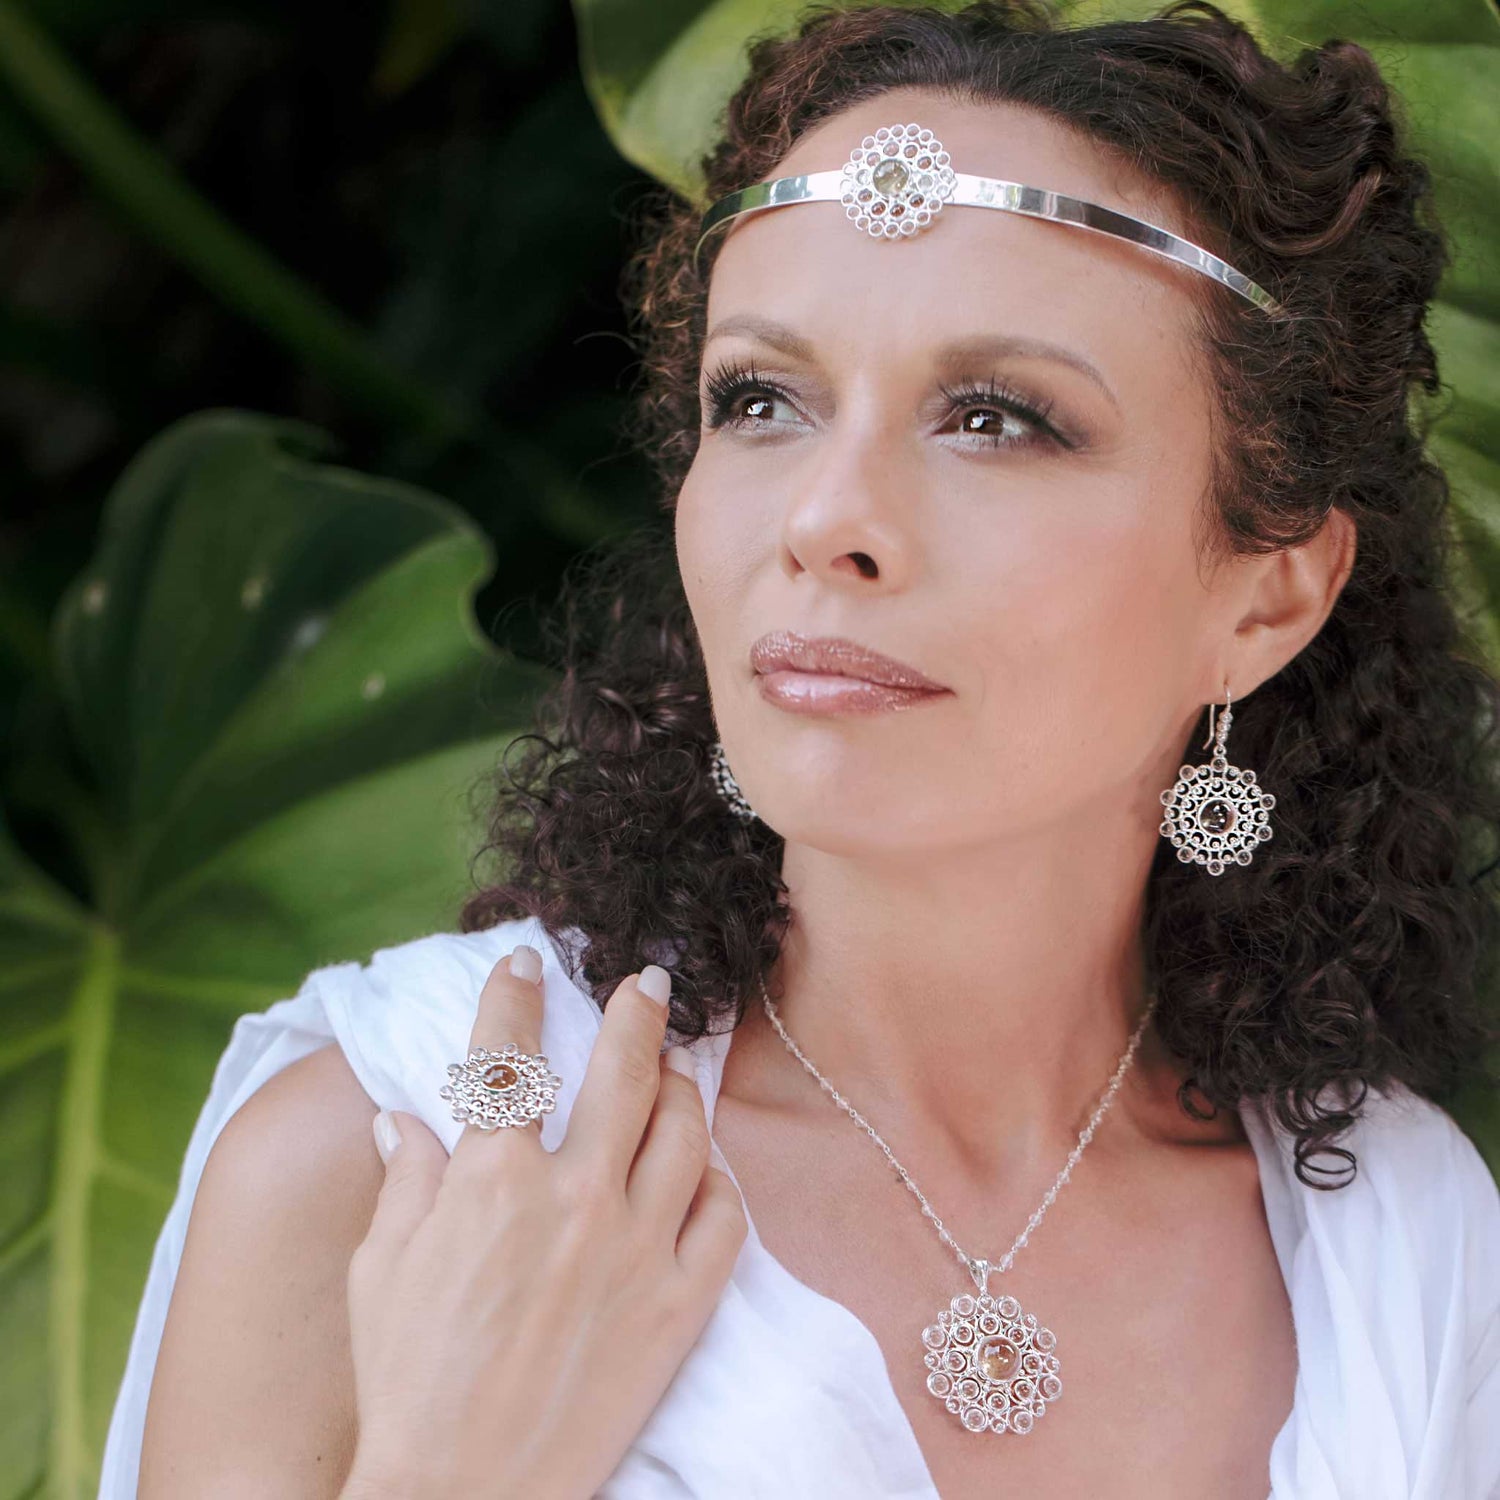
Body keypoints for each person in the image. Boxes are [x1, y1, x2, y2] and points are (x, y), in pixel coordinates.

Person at [98, 1, 1500, 1496]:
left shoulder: (1394, 1243)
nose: (826, 517)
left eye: (998, 419)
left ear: (1268, 591)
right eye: (760, 400)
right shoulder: (396, 1160)